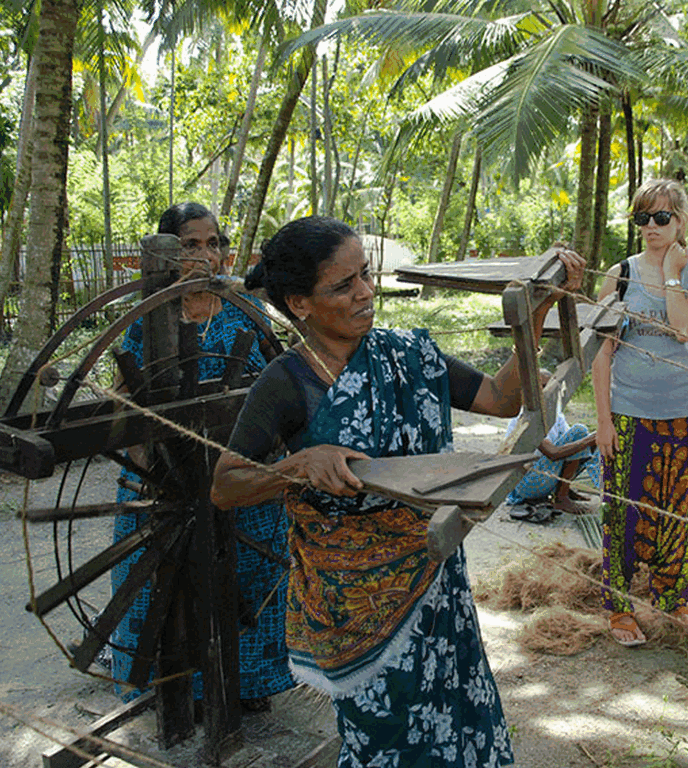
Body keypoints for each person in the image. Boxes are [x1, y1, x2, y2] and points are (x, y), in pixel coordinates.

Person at [209, 216, 585, 766]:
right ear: (300, 304)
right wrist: (300, 465)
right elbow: (225, 485)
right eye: (343, 285)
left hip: (434, 578)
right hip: (354, 609)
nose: (365, 293)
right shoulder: (287, 383)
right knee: (383, 736)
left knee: (455, 717)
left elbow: (502, 399)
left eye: (365, 275)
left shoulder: (408, 355)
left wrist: (540, 308)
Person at [110, 202, 292, 712]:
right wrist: (147, 474)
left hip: (239, 481)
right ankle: (165, 682)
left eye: (214, 244)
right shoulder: (150, 318)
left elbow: (278, 390)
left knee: (249, 577)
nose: (205, 256)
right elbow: (125, 403)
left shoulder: (244, 314)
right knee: (161, 578)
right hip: (168, 482)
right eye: (191, 245)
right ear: (167, 253)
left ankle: (247, 682)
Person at [592, 178, 688, 646]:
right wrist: (604, 422)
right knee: (623, 514)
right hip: (629, 411)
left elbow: (685, 329)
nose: (650, 227)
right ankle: (619, 608)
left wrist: (669, 272)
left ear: (681, 222)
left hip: (687, 412)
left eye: (662, 218)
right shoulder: (619, 274)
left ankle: (672, 598)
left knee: (683, 513)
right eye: (642, 218)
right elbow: (602, 354)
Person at [504, 406, 600, 519]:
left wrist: (594, 439)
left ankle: (564, 490)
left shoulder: (555, 414)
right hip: (525, 485)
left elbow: (572, 445)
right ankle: (561, 498)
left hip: (542, 478)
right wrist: (592, 438)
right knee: (580, 432)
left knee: (583, 443)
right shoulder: (526, 416)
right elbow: (553, 453)